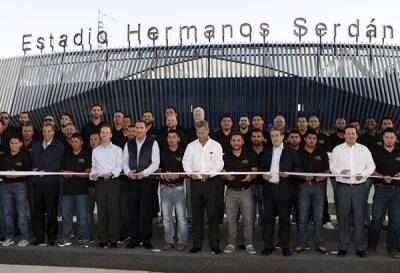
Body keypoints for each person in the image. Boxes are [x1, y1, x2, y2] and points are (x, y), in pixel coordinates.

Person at [330, 125, 376, 257]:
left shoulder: (364, 150)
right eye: (348, 133)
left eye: (353, 133)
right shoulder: (337, 150)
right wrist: (340, 172)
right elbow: (332, 167)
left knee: (359, 218)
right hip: (342, 187)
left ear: (357, 135)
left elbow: (372, 166)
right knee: (343, 217)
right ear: (344, 135)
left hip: (359, 188)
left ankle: (360, 247)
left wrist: (364, 174)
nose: (351, 135)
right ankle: (343, 247)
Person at [182, 120, 224, 254]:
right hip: (195, 184)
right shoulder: (190, 146)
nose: (200, 135)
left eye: (203, 132)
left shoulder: (216, 145)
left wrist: (210, 174)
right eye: (198, 133)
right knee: (196, 215)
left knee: (212, 215)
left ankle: (214, 243)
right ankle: (197, 243)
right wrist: (190, 173)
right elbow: (185, 162)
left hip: (211, 183)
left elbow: (219, 163)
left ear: (208, 131)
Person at [260, 128, 302, 257]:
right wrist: (263, 175)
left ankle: (284, 246)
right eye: (272, 136)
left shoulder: (291, 152)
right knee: (268, 220)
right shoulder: (266, 152)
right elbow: (261, 168)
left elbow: (298, 168)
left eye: (277, 136)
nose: (274, 138)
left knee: (284, 220)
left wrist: (288, 175)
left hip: (284, 190)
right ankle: (268, 246)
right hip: (269, 190)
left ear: (282, 136)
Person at [123, 120, 160, 249]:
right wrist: (128, 172)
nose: (138, 130)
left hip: (146, 181)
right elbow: (124, 162)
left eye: (141, 127)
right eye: (137, 127)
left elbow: (155, 163)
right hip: (132, 181)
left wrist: (143, 173)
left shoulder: (153, 143)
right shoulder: (128, 143)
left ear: (146, 129)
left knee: (146, 211)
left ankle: (146, 239)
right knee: (132, 211)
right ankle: (134, 238)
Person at [294, 130, 330, 254]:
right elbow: (294, 171)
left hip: (319, 188)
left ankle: (320, 244)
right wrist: (303, 177)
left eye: (314, 138)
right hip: (303, 187)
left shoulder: (322, 152)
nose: (312, 140)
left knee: (318, 218)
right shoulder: (298, 153)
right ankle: (301, 243)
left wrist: (324, 176)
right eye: (309, 138)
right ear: (305, 139)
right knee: (302, 218)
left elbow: (327, 170)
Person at [222, 132, 258, 255]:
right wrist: (226, 177)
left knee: (248, 219)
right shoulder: (225, 157)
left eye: (238, 140)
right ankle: (231, 243)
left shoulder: (250, 154)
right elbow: (222, 172)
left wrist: (251, 177)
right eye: (234, 140)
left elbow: (255, 172)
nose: (236, 143)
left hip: (246, 192)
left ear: (242, 142)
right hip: (231, 193)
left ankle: (249, 243)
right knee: (231, 220)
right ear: (230, 142)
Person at [368, 128, 400, 258]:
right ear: (383, 138)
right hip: (381, 190)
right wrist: (381, 177)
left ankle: (393, 248)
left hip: (397, 191)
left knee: (396, 221)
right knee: (376, 220)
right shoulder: (376, 151)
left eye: (392, 137)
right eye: (387, 137)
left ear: (395, 138)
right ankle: (371, 246)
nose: (390, 139)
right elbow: (370, 169)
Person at [89, 125, 123, 249]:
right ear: (100, 135)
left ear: (111, 135)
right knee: (101, 211)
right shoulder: (95, 151)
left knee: (113, 211)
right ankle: (103, 239)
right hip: (99, 183)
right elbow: (93, 167)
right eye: (102, 133)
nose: (104, 135)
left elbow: (120, 166)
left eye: (107, 133)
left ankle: (113, 240)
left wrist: (112, 174)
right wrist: (92, 175)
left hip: (113, 182)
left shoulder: (118, 150)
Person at [31, 124, 65, 246]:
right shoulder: (36, 146)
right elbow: (32, 162)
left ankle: (51, 237)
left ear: (53, 132)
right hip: (38, 184)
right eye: (44, 131)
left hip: (52, 183)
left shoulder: (59, 146)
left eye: (49, 131)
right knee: (38, 212)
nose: (46, 133)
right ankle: (39, 237)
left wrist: (45, 172)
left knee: (51, 212)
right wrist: (34, 170)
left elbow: (59, 163)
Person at [58, 133, 91, 248]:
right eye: (72, 141)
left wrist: (75, 174)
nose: (74, 143)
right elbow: (60, 169)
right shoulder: (66, 154)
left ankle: (84, 238)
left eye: (76, 141)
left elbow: (88, 172)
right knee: (66, 216)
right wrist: (64, 173)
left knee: (82, 216)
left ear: (81, 142)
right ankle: (66, 237)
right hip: (67, 191)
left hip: (82, 191)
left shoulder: (86, 154)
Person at [159, 130, 188, 252]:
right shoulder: (162, 152)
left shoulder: (184, 152)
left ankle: (182, 241)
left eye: (174, 137)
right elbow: (158, 167)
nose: (171, 139)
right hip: (164, 188)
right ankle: (168, 241)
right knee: (166, 217)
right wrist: (162, 174)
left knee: (181, 217)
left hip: (179, 188)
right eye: (169, 137)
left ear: (178, 139)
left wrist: (179, 175)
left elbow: (187, 170)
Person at [0, 136, 31, 247]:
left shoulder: (25, 156)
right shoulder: (4, 156)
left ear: (20, 144)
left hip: (20, 187)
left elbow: (28, 173)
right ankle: (9, 237)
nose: (13, 145)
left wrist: (15, 174)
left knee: (21, 213)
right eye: (11, 143)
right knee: (7, 214)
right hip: (5, 187)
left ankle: (24, 238)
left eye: (15, 143)